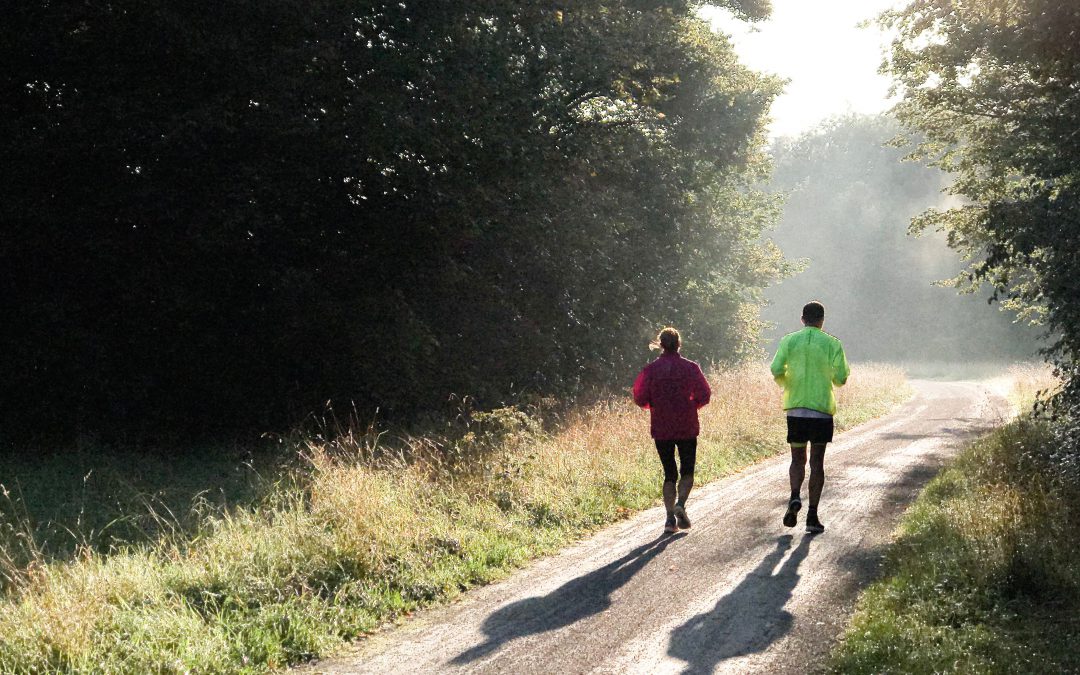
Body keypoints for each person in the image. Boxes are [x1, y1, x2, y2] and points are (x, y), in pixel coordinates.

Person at [769, 301, 849, 534]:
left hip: (795, 408)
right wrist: (830, 379)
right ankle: (812, 516)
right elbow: (841, 377)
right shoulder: (833, 343)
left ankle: (795, 496)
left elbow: (775, 369)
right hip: (821, 409)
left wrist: (788, 384)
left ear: (802, 319)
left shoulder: (788, 340)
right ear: (822, 321)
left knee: (797, 459)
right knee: (817, 462)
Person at [633, 327, 712, 534]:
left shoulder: (650, 370)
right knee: (687, 470)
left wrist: (655, 405)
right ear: (679, 344)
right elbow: (705, 394)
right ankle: (681, 505)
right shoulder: (691, 368)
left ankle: (669, 520)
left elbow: (639, 397)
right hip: (687, 425)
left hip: (661, 427)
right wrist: (691, 404)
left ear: (660, 344)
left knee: (669, 473)